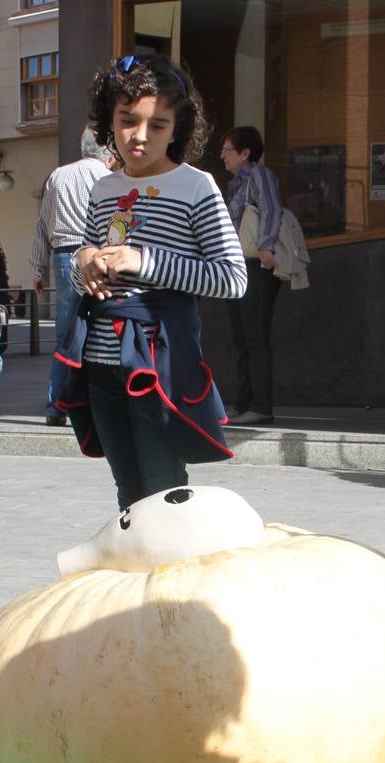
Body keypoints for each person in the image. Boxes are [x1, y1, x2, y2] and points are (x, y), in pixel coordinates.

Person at [56, 54, 246, 511]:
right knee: (128, 492)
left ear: (177, 128)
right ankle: (136, 579)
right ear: (109, 120)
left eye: (157, 125)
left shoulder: (195, 186)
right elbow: (88, 253)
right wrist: (83, 262)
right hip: (100, 365)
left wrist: (145, 262)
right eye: (127, 121)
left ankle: (169, 581)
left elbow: (232, 277)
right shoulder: (102, 187)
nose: (140, 137)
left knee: (163, 491)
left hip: (159, 365)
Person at [30, 127, 115, 427]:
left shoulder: (57, 175)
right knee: (100, 332)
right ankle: (90, 402)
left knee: (65, 335)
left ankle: (56, 407)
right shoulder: (106, 178)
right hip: (97, 257)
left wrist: (38, 269)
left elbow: (42, 224)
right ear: (108, 151)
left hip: (62, 257)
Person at [220, 126, 282, 426]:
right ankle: (243, 402)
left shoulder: (259, 175)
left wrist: (267, 246)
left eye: (227, 150)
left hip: (256, 265)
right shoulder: (235, 185)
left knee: (255, 337)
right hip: (238, 266)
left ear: (245, 153)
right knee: (241, 338)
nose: (222, 156)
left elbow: (271, 209)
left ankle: (261, 405)